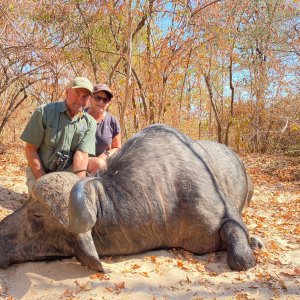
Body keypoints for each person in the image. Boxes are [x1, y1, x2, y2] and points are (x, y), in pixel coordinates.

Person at [21, 77, 97, 191]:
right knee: (43, 204)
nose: (81, 98)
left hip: (66, 172)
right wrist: (43, 182)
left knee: (97, 165)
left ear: (90, 99)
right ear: (67, 92)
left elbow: (81, 155)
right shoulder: (44, 112)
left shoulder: (90, 123)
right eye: (77, 93)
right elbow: (30, 150)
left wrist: (78, 189)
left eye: (85, 96)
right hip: (41, 170)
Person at [87, 83, 121, 175]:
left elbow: (117, 147)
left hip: (102, 164)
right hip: (80, 160)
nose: (101, 102)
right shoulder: (80, 117)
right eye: (98, 98)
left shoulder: (112, 121)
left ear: (109, 102)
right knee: (99, 165)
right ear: (91, 98)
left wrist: (104, 156)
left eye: (105, 100)